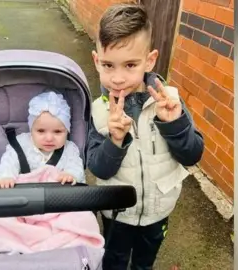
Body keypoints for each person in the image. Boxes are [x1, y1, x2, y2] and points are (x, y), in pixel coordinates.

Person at [86, 3, 204, 270]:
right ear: (96, 61)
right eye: (108, 65)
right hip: (116, 213)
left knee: (144, 263)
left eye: (130, 65)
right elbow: (98, 168)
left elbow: (193, 154)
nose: (117, 78)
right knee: (113, 261)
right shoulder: (96, 111)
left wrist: (174, 124)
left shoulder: (170, 101)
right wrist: (115, 141)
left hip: (158, 210)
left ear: (149, 60)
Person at [0, 90, 85, 188]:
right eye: (41, 131)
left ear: (67, 131)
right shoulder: (21, 143)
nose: (49, 138)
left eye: (57, 132)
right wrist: (6, 176)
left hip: (55, 195)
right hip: (24, 194)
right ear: (31, 130)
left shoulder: (69, 149)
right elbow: (9, 161)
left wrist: (70, 175)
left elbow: (76, 165)